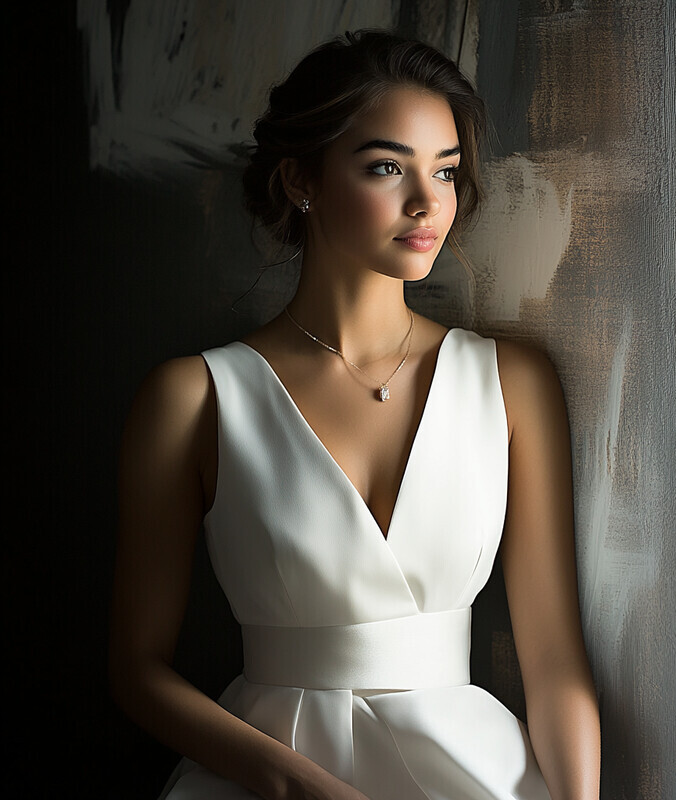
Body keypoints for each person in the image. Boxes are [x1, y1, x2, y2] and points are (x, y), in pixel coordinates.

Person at [109, 29, 601, 800]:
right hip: (261, 775)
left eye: (444, 170)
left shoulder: (510, 381)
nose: (427, 202)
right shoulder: (193, 399)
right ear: (300, 178)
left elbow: (556, 664)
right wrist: (296, 785)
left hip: (474, 776)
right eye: (385, 167)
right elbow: (135, 670)